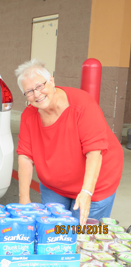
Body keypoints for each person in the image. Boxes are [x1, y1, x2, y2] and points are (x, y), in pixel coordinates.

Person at [14, 59, 123, 225]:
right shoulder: (29, 116)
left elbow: (94, 151)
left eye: (40, 86)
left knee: (84, 236)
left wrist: (87, 192)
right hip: (54, 185)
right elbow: (25, 156)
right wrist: (24, 199)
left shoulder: (81, 105)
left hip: (95, 183)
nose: (36, 94)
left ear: (51, 80)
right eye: (29, 91)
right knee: (54, 232)